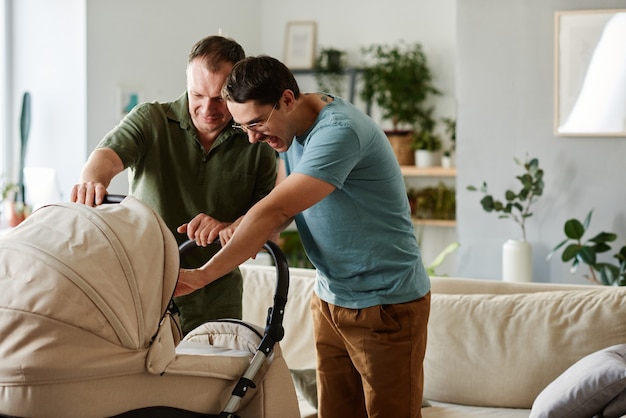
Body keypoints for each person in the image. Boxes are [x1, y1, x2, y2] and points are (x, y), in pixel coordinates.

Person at [175, 55, 431, 418]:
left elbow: (275, 212)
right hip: (331, 299)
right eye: (243, 128)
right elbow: (286, 203)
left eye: (256, 124)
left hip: (385, 304)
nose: (252, 138)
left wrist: (201, 276)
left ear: (287, 99)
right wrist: (235, 226)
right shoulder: (292, 128)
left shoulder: (338, 132)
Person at [70, 37, 277, 335]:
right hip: (146, 289)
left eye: (219, 98)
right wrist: (92, 180)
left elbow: (268, 218)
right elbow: (106, 156)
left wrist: (230, 227)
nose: (207, 109)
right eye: (197, 95)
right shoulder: (150, 119)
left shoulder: (258, 142)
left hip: (217, 299)